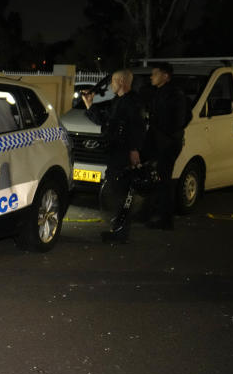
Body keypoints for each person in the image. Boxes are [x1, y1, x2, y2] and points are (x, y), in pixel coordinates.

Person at [81, 69, 145, 244]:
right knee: (116, 191)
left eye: (114, 81)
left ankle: (120, 232)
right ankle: (117, 229)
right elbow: (106, 121)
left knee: (121, 193)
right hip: (116, 151)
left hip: (123, 154)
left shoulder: (132, 103)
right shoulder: (119, 101)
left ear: (122, 81)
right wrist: (90, 105)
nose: (111, 85)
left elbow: (137, 128)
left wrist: (133, 150)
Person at [142, 62, 188, 230]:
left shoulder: (175, 94)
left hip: (167, 143)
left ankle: (165, 219)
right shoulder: (159, 92)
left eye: (155, 73)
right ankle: (155, 214)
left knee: (164, 180)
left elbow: (180, 118)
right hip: (160, 141)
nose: (151, 76)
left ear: (165, 76)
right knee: (158, 179)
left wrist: (168, 135)